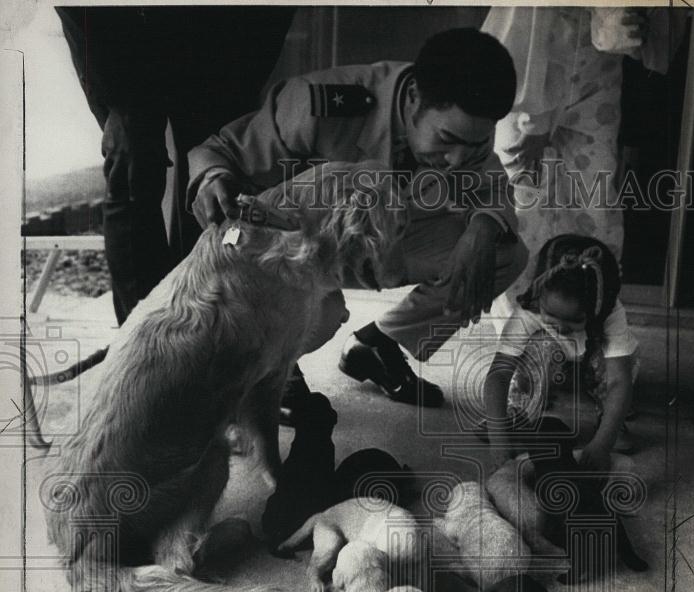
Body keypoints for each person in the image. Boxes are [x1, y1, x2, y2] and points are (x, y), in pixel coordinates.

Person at [188, 27, 527, 413]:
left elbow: (492, 188)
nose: (457, 159)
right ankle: (268, 373)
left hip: (377, 242)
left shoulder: (467, 125)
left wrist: (481, 230)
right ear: (414, 98)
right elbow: (218, 151)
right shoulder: (318, 107)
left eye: (475, 144)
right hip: (298, 247)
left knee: (504, 252)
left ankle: (377, 345)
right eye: (447, 139)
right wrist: (213, 179)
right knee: (322, 317)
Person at [56, 6, 295, 326]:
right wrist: (116, 98)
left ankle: (216, 328)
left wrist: (238, 87)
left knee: (218, 178)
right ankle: (144, 337)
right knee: (132, 161)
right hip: (116, 28)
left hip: (222, 29)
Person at [482, 6, 688, 284]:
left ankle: (587, 303)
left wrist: (645, 25)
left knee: (595, 202)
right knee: (522, 201)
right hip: (527, 82)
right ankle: (514, 309)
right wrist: (535, 123)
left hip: (595, 85)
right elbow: (526, 29)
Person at [483, 235, 639, 472]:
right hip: (553, 362)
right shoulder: (529, 310)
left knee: (623, 365)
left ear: (598, 307)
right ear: (539, 294)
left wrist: (602, 444)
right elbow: (499, 375)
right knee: (541, 346)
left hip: (592, 361)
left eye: (575, 320)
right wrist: (498, 440)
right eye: (550, 316)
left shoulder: (610, 310)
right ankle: (522, 410)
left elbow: (619, 380)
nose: (562, 327)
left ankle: (607, 419)